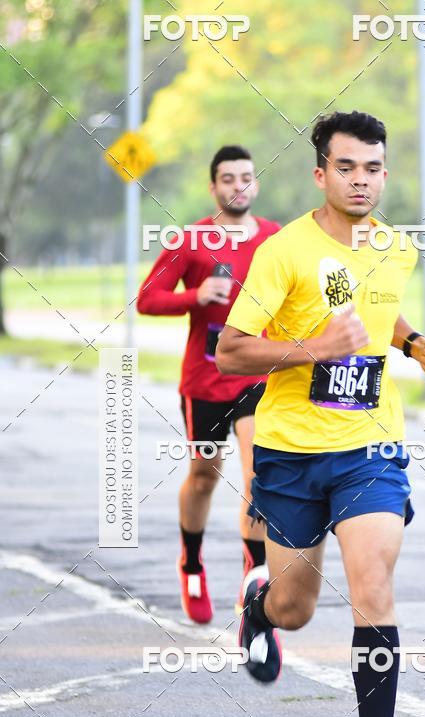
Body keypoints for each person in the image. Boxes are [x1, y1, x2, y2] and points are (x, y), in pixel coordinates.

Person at [216, 111, 425, 717]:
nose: (360, 180)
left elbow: (377, 316)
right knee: (296, 608)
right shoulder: (283, 252)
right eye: (346, 167)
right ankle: (259, 606)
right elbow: (231, 350)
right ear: (321, 173)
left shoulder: (395, 248)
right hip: (291, 452)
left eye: (372, 168)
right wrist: (314, 348)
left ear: (385, 173)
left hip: (370, 448)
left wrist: (411, 343)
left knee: (372, 581)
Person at [138, 146, 280, 624]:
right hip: (204, 380)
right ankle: (192, 562)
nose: (238, 186)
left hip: (256, 376)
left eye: (246, 176)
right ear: (213, 186)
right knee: (204, 476)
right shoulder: (191, 240)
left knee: (259, 475)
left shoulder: (275, 239)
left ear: (256, 182)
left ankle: (253, 577)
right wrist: (195, 296)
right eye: (228, 178)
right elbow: (147, 299)